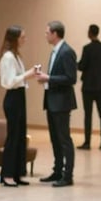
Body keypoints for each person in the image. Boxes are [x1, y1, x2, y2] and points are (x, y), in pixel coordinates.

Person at [36, 21, 77, 187]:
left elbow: (71, 78)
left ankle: (68, 175)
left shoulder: (67, 52)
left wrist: (49, 78)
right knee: (55, 138)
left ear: (55, 34)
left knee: (64, 139)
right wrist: (47, 80)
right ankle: (57, 170)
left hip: (61, 102)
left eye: (47, 32)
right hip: (52, 100)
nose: (45, 35)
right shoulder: (55, 51)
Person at [0, 25, 37, 186]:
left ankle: (17, 172)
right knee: (13, 137)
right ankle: (7, 174)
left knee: (20, 136)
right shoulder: (7, 57)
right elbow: (9, 82)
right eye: (22, 37)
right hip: (13, 98)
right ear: (14, 38)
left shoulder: (16, 56)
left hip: (20, 96)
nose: (24, 40)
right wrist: (28, 74)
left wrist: (28, 75)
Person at [76, 24, 101, 151]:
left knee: (88, 114)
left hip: (88, 86)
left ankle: (87, 142)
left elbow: (82, 66)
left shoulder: (87, 48)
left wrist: (75, 64)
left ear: (90, 33)